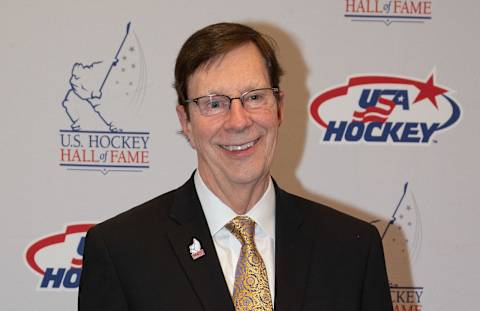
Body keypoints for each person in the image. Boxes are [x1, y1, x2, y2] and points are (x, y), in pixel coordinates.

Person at [78, 22, 393, 311]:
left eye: (254, 97)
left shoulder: (352, 249)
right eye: (214, 103)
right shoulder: (121, 252)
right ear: (185, 121)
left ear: (279, 107)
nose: (239, 121)